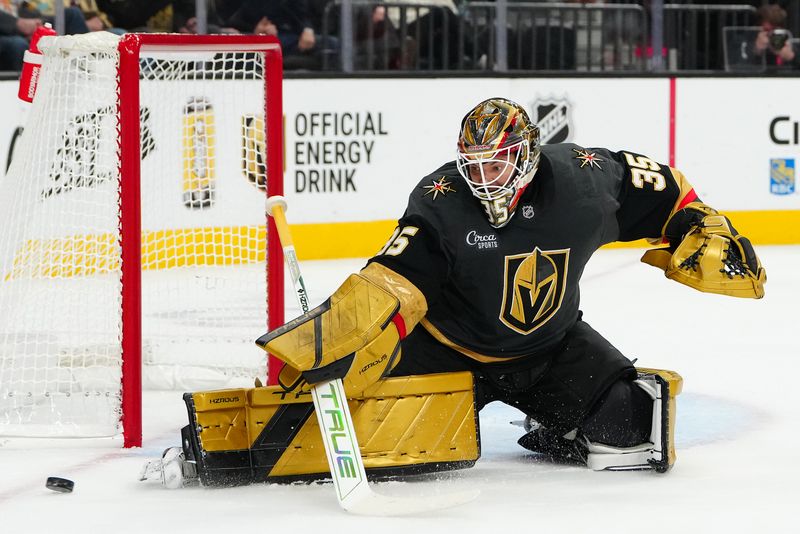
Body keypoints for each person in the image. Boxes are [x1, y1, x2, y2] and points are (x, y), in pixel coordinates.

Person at [142, 97, 766, 487]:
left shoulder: (583, 180)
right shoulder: (440, 200)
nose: (482, 179)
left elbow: (664, 191)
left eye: (495, 165)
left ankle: (553, 429)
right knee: (369, 444)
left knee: (635, 428)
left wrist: (694, 224)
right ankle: (216, 445)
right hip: (448, 351)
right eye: (473, 166)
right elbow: (396, 280)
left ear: (526, 156)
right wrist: (338, 337)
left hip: (549, 346)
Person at [752, 3, 799, 69]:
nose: (770, 35)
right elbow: (739, 67)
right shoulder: (748, 42)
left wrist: (793, 57)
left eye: (773, 30)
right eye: (766, 30)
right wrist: (757, 51)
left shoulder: (793, 45)